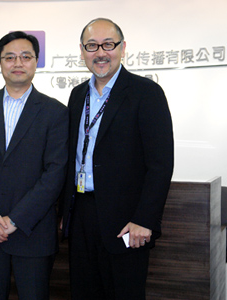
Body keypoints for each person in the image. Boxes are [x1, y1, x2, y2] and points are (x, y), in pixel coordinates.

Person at [60, 18, 174, 299]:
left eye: (108, 44)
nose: (100, 52)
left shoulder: (146, 93)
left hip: (126, 222)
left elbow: (160, 164)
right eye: (92, 45)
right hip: (82, 216)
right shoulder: (77, 95)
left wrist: (144, 219)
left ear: (123, 48)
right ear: (82, 51)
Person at [0, 31, 69, 300]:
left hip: (32, 233)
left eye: (25, 56)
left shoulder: (56, 112)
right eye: (10, 57)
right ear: (0, 62)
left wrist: (17, 219)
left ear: (36, 62)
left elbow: (54, 174)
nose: (17, 62)